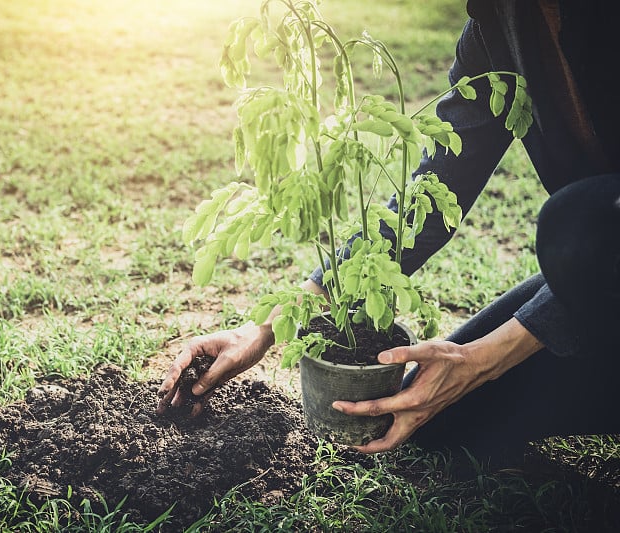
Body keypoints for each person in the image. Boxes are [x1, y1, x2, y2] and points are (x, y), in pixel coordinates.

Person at [157, 0, 620, 467]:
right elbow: (427, 204)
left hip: (594, 252)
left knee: (574, 227)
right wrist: (267, 325)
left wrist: (482, 360)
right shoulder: (501, 24)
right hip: (602, 278)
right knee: (440, 418)